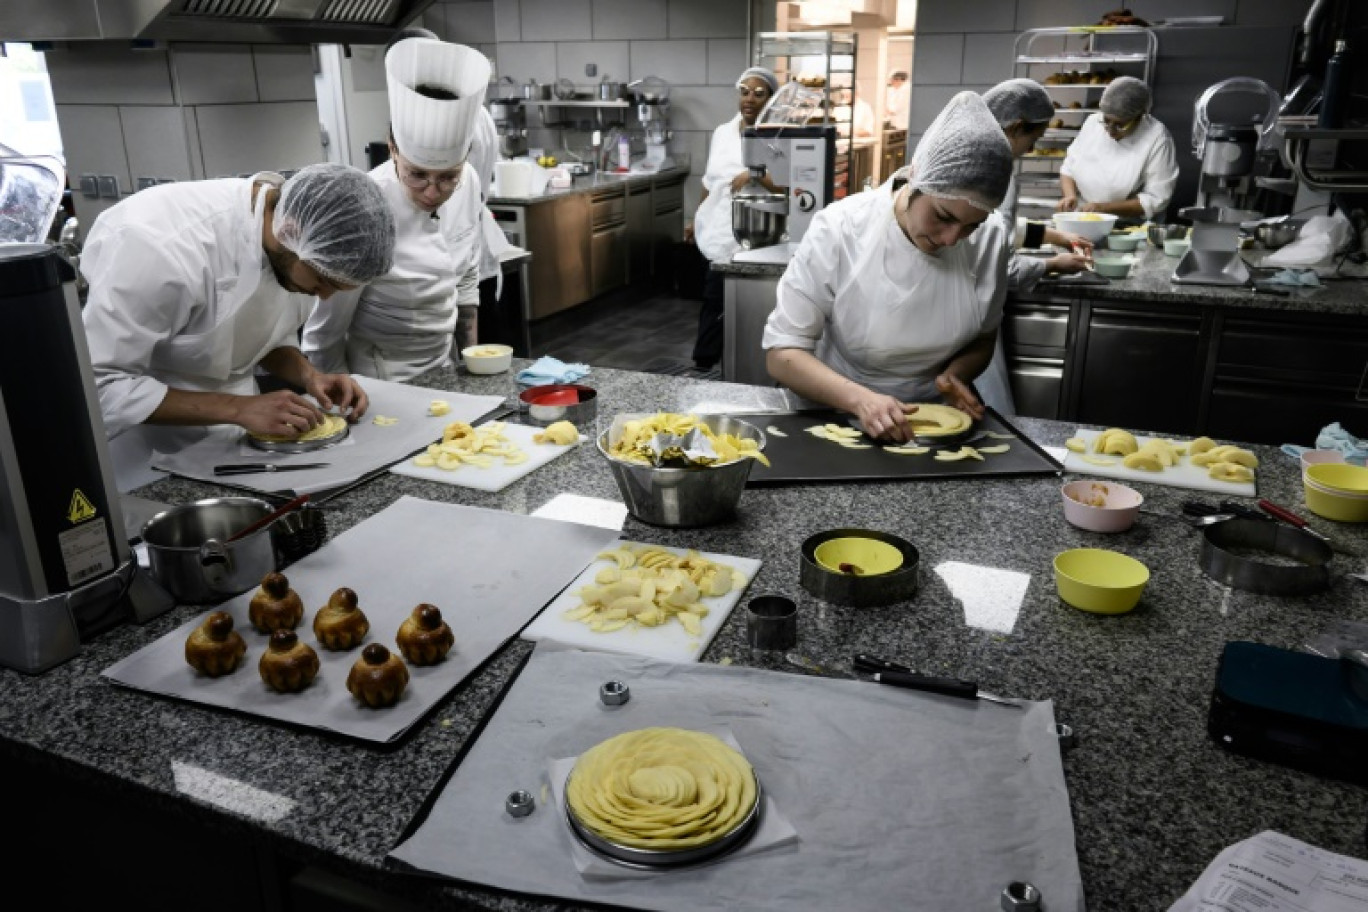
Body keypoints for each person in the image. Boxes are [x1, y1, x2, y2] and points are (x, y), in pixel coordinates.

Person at [81, 162, 395, 487]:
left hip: (245, 440)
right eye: (321, 281)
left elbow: (258, 335)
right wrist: (237, 408)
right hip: (148, 455)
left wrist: (309, 375)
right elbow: (98, 386)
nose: (325, 297)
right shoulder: (159, 246)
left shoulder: (294, 249)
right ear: (290, 231)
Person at [762, 91, 1015, 443]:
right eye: (943, 216)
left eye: (971, 225)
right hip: (836, 414)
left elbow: (984, 338)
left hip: (933, 425)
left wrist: (954, 375)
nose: (951, 239)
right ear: (916, 178)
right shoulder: (840, 228)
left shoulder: (992, 239)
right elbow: (782, 353)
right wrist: (862, 401)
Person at [302, 35, 499, 381]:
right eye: (417, 175)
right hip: (381, 378)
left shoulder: (468, 182)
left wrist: (472, 361)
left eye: (447, 177)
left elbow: (467, 273)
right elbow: (324, 333)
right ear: (392, 148)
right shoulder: (362, 210)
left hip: (444, 367)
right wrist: (337, 405)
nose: (433, 191)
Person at [686, 65, 783, 371]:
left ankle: (742, 360)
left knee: (747, 299)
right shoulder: (722, 133)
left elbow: (786, 185)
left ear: (770, 98)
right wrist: (695, 217)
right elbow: (709, 180)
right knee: (714, 294)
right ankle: (704, 362)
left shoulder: (779, 135)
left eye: (758, 93)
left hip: (758, 229)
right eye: (744, 92)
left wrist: (754, 172)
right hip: (719, 226)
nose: (750, 99)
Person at [1057, 76, 1178, 221]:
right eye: (1106, 121)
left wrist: (1104, 208)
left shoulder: (1157, 138)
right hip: (1085, 216)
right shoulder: (1093, 122)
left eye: (1120, 125)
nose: (1110, 130)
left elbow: (1156, 198)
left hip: (1129, 225)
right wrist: (1070, 196)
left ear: (1140, 116)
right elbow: (1069, 167)